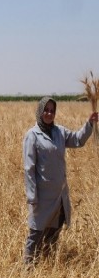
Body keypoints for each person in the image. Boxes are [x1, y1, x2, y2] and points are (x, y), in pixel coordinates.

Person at [23, 97, 98, 265]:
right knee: (35, 234)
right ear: (40, 111)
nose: (49, 113)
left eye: (52, 110)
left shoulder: (60, 132)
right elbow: (29, 169)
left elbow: (78, 140)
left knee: (54, 233)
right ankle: (27, 270)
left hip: (59, 195)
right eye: (46, 109)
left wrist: (90, 124)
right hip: (42, 197)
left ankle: (48, 266)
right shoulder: (32, 136)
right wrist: (32, 197)